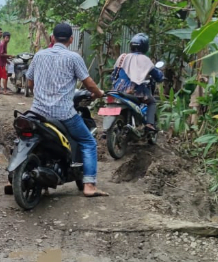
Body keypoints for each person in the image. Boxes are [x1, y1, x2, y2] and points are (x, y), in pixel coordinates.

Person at [26, 23, 108, 197]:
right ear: (71, 39)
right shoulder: (73, 57)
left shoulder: (39, 55)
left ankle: (11, 179)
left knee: (22, 139)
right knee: (88, 142)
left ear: (52, 38)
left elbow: (30, 83)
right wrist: (99, 93)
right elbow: (88, 83)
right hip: (63, 114)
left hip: (37, 112)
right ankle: (89, 185)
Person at [111, 33, 163, 132]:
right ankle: (149, 124)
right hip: (135, 91)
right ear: (145, 47)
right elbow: (157, 75)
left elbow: (114, 75)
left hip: (117, 90)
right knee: (152, 102)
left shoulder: (122, 57)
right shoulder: (145, 60)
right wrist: (161, 77)